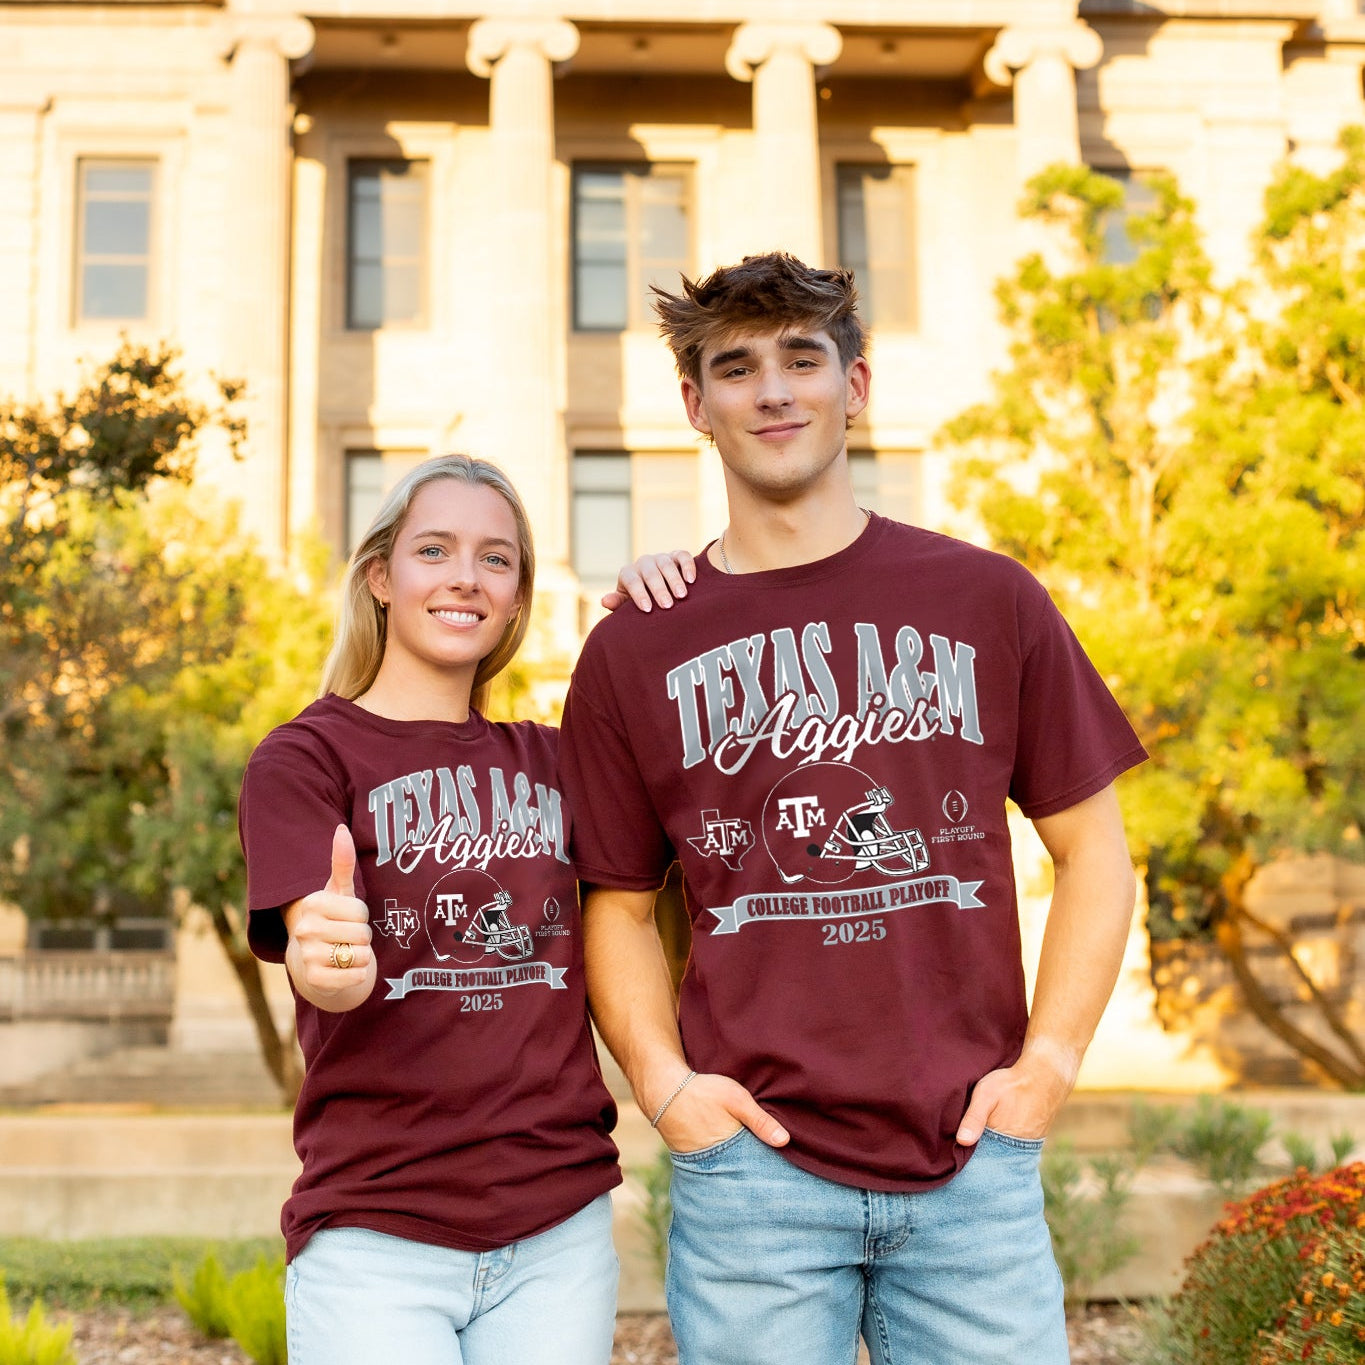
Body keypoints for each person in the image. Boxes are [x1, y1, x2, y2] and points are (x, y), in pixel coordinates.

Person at [557, 253, 1148, 1365]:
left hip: (973, 1163)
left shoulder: (989, 600)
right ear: (696, 406)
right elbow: (619, 909)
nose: (773, 390)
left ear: (857, 386)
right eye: (735, 368)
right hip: (755, 1182)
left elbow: (1097, 856)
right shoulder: (638, 644)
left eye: (801, 359)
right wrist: (665, 1088)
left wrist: (1052, 1065)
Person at [237, 454, 693, 1365]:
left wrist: (667, 607)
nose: (463, 578)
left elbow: (692, 780)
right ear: (380, 576)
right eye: (433, 548)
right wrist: (327, 959)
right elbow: (314, 954)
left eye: (495, 558)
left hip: (555, 1232)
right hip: (375, 1235)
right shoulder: (304, 758)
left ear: (519, 596)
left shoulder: (555, 761)